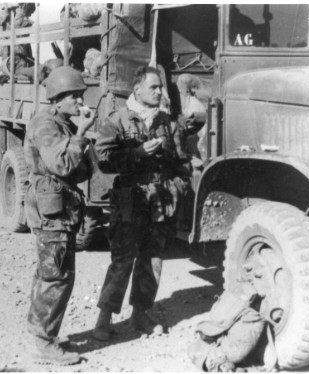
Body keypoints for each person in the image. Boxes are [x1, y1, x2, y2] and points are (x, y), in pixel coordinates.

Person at [92, 66, 203, 341]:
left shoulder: (168, 123)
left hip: (161, 201)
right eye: (153, 87)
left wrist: (181, 181)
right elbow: (104, 161)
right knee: (122, 259)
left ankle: (140, 314)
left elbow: (180, 161)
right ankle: (104, 318)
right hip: (131, 200)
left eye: (160, 87)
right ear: (137, 88)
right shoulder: (117, 120)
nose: (159, 92)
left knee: (152, 259)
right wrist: (137, 153)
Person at [24, 66, 96, 365]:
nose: (80, 102)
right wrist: (81, 133)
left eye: (80, 96)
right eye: (75, 97)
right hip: (51, 208)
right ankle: (43, 343)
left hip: (58, 205)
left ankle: (43, 334)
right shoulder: (46, 124)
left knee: (51, 272)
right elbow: (64, 164)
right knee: (56, 275)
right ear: (57, 99)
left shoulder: (59, 121)